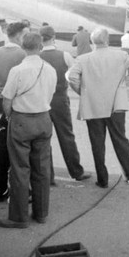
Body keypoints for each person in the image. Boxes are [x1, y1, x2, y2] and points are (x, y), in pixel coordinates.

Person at [68, 27, 129, 188]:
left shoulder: (83, 59)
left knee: (97, 144)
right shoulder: (120, 55)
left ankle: (103, 179)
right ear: (107, 40)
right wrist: (124, 85)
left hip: (93, 105)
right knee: (120, 140)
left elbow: (71, 77)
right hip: (116, 103)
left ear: (92, 41)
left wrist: (83, 92)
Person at [0, 33, 57, 228]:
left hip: (22, 120)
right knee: (41, 168)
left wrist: (10, 117)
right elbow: (50, 95)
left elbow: (7, 100)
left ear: (23, 47)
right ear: (41, 46)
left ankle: (19, 217)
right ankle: (41, 213)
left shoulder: (17, 70)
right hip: (43, 119)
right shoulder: (50, 69)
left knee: (20, 169)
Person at [0, 22, 29, 201]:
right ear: (18, 36)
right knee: (19, 148)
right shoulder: (24, 54)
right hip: (18, 104)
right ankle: (20, 188)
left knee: (0, 146)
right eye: (26, 35)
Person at [39, 26, 91, 182]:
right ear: (53, 37)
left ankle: (48, 176)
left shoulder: (38, 57)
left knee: (44, 139)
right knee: (66, 135)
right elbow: (75, 74)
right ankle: (76, 171)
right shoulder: (65, 55)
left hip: (42, 100)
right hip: (60, 98)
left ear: (41, 39)